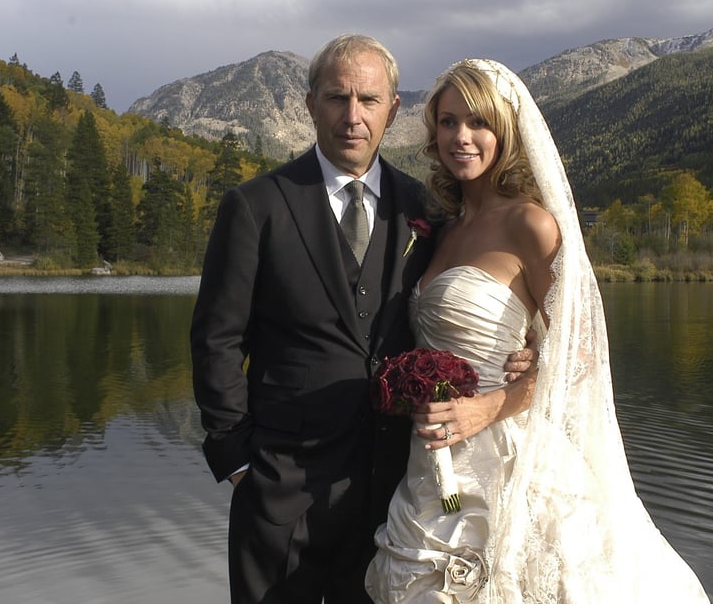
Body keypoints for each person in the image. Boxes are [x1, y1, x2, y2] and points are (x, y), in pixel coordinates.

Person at [190, 35, 535, 604]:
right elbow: (217, 339)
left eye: (369, 100)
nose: (353, 116)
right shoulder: (257, 206)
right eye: (337, 98)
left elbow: (487, 301)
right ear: (310, 105)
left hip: (395, 490)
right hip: (280, 487)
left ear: (392, 109)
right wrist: (237, 461)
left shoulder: (424, 209)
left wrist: (529, 353)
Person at [365, 59, 711, 603]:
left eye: (478, 123)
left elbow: (584, 354)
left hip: (506, 450)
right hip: (434, 454)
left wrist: (492, 402)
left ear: (505, 130)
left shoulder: (531, 223)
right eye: (449, 122)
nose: (461, 137)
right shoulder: (444, 229)